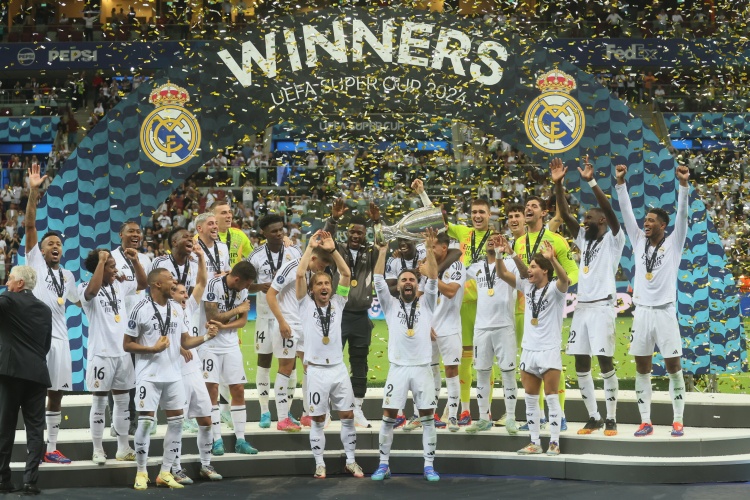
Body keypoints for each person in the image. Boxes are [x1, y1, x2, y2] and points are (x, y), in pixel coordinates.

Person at [124, 268, 220, 490]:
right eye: (170, 279)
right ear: (157, 284)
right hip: (149, 375)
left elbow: (185, 341)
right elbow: (127, 344)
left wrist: (206, 336)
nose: (174, 282)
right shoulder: (140, 308)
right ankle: (141, 472)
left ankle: (165, 472)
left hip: (174, 375)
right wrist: (152, 349)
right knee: (145, 423)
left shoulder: (176, 309)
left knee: (177, 422)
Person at [615, 162, 690, 437]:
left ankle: (678, 420)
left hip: (665, 312)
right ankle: (645, 421)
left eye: (650, 221)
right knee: (642, 368)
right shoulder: (638, 240)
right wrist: (620, 183)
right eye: (645, 220)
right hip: (642, 313)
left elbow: (682, 215)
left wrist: (684, 185)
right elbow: (626, 213)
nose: (645, 223)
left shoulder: (674, 242)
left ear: (662, 225)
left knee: (673, 367)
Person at [552, 156, 626, 436]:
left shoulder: (614, 239)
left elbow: (608, 208)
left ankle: (611, 418)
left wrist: (592, 181)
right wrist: (558, 185)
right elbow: (566, 215)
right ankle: (593, 417)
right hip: (581, 308)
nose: (583, 222)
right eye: (584, 219)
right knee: (581, 363)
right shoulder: (584, 240)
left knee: (605, 362)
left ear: (602, 221)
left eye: (589, 218)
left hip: (602, 308)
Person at [371, 228, 441, 482]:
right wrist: (382, 252)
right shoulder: (389, 304)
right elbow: (378, 280)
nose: (408, 282)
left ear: (417, 284)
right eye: (404, 280)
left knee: (427, 418)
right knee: (388, 418)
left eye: (412, 279)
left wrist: (430, 250)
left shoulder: (427, 303)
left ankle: (429, 466)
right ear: (398, 285)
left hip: (422, 368)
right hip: (398, 368)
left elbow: (433, 279)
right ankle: (383, 464)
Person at [295, 230, 363, 479]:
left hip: (338, 369)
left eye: (326, 284)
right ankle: (319, 463)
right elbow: (300, 274)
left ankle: (351, 461)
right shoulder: (304, 305)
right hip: (315, 370)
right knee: (318, 419)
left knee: (347, 416)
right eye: (319, 284)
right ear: (312, 289)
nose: (324, 287)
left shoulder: (338, 303)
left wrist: (333, 250)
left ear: (331, 288)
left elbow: (346, 274)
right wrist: (310, 248)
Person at [24, 164, 80, 464]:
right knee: (34, 393)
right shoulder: (34, 263)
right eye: (50, 244)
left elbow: (82, 301)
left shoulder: (68, 276)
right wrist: (33, 193)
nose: (55, 246)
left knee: (56, 394)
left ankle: (51, 448)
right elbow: (30, 226)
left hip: (61, 342)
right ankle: (34, 446)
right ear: (41, 250)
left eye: (59, 244)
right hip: (36, 342)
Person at [495, 240, 570, 455]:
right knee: (530, 399)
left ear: (545, 270)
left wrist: (552, 259)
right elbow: (502, 274)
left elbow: (565, 280)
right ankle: (535, 442)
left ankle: (554, 442)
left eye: (534, 266)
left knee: (552, 397)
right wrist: (503, 254)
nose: (530, 270)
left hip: (548, 350)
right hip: (528, 350)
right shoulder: (527, 286)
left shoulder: (555, 290)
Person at [513, 193, 579, 431]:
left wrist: (555, 290)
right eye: (526, 205)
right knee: (531, 365)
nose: (528, 208)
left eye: (534, 205)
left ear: (543, 213)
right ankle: (538, 417)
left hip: (549, 306)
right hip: (525, 309)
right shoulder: (519, 242)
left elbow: (573, 271)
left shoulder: (555, 239)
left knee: (551, 365)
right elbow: (522, 275)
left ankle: (559, 416)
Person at [79, 248, 147, 465]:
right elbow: (92, 291)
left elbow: (143, 283)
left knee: (123, 402)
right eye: (111, 266)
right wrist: (101, 261)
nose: (116, 269)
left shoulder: (119, 284)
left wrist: (135, 261)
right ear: (99, 268)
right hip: (101, 354)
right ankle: (97, 449)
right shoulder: (85, 288)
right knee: (99, 402)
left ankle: (123, 447)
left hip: (122, 353)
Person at [267, 234, 335, 431]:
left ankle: (307, 414)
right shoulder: (291, 267)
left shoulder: (310, 274)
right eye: (321, 266)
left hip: (304, 326)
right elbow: (270, 294)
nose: (321, 270)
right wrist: (281, 321)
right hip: (287, 325)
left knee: (309, 368)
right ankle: (282, 419)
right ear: (312, 258)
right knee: (286, 368)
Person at [323, 201, 382, 428]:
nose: (356, 236)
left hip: (360, 316)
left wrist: (377, 222)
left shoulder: (371, 252)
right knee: (330, 361)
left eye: (360, 233)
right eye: (352, 232)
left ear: (365, 234)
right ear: (347, 232)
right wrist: (333, 219)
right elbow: (325, 239)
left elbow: (383, 243)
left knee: (360, 363)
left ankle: (357, 408)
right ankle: (326, 410)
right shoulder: (337, 250)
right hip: (338, 314)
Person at [167, 245, 223, 483]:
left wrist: (201, 257)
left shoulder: (188, 307)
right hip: (174, 373)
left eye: (184, 292)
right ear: (170, 294)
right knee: (177, 423)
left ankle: (206, 464)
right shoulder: (163, 311)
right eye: (179, 292)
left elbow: (201, 282)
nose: (184, 296)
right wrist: (178, 347)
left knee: (206, 420)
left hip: (194, 371)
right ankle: (175, 467)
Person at [464, 234, 527, 434]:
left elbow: (525, 275)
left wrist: (510, 251)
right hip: (481, 328)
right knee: (482, 373)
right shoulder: (476, 267)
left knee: (508, 373)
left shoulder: (510, 263)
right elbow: (456, 274)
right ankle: (484, 418)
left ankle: (511, 418)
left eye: (497, 238)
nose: (492, 241)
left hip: (504, 326)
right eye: (489, 239)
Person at [0, 266, 52, 495]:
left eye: (10, 279)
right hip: (37, 375)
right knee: (35, 429)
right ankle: (31, 481)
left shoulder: (8, 300)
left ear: (20, 283)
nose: (7, 283)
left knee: (4, 427)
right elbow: (46, 344)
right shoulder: (45, 309)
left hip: (10, 374)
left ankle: (3, 479)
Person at [247, 214, 302, 428]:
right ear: (264, 233)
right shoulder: (256, 256)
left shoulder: (294, 251)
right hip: (265, 316)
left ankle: (286, 411)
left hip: (289, 317)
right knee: (264, 361)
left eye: (281, 230)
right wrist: (258, 287)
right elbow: (244, 284)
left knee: (290, 364)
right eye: (274, 231)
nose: (279, 234)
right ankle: (264, 411)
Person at [200, 261, 258, 455]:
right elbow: (212, 316)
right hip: (210, 345)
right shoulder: (213, 285)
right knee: (212, 391)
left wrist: (225, 326)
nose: (248, 288)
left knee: (238, 389)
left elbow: (242, 321)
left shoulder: (243, 291)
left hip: (231, 345)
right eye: (247, 284)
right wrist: (236, 310)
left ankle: (241, 439)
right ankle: (216, 440)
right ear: (237, 279)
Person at [112, 220, 153, 435]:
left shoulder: (145, 259)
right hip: (119, 325)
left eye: (139, 231)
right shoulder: (111, 258)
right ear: (121, 234)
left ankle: (136, 419)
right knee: (120, 376)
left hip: (142, 325)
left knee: (140, 375)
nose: (136, 235)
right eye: (131, 231)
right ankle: (117, 421)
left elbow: (149, 288)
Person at [152, 227, 199, 292]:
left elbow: (195, 292)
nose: (190, 239)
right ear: (174, 242)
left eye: (191, 237)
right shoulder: (159, 262)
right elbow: (153, 290)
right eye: (185, 237)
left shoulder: (195, 265)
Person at [213, 201, 253, 266]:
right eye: (223, 213)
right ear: (212, 216)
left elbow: (254, 258)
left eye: (230, 212)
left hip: (235, 272)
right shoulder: (202, 237)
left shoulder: (239, 234)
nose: (229, 216)